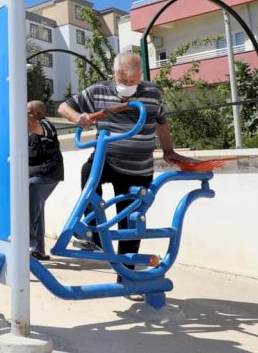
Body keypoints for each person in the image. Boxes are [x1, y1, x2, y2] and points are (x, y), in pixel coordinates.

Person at [57, 52, 192, 299]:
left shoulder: (153, 94)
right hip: (107, 159)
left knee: (131, 221)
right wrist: (79, 118)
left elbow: (161, 123)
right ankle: (94, 232)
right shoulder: (97, 91)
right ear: (113, 73)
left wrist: (169, 150)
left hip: (138, 167)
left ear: (140, 75)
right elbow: (63, 106)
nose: (129, 84)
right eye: (124, 79)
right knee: (88, 174)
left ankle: (127, 279)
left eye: (134, 80)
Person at [27, 100, 63, 261]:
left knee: (31, 189)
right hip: (34, 174)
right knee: (36, 205)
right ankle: (38, 250)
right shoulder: (26, 132)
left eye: (28, 112)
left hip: (48, 174)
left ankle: (29, 240)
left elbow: (35, 127)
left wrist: (17, 106)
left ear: (38, 114)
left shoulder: (46, 125)